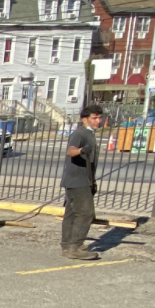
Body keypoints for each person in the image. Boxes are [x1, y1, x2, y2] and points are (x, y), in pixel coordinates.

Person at [60, 102, 104, 259]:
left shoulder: (89, 134)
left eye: (99, 118)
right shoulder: (80, 133)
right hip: (77, 181)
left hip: (82, 180)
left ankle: (67, 246)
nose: (98, 121)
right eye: (94, 118)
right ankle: (75, 247)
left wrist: (92, 181)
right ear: (85, 119)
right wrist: (80, 150)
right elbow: (70, 151)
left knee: (72, 214)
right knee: (86, 213)